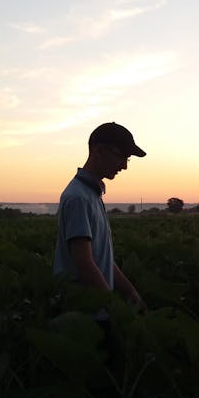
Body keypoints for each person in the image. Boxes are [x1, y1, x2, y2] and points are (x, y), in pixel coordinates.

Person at [53, 122, 147, 312]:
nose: (124, 166)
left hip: (97, 309)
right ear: (99, 150)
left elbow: (99, 258)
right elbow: (85, 264)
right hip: (82, 315)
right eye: (122, 156)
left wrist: (131, 293)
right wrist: (116, 311)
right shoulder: (78, 198)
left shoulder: (92, 195)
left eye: (128, 159)